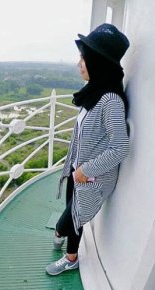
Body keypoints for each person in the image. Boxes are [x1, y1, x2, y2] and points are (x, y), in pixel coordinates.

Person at [46, 23, 131, 275]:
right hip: (79, 171)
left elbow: (120, 146)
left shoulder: (111, 100)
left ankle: (64, 242)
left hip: (90, 174)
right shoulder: (94, 93)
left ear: (99, 62)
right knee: (75, 211)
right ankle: (71, 255)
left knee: (69, 218)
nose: (79, 63)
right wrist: (77, 166)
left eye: (85, 57)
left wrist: (85, 169)